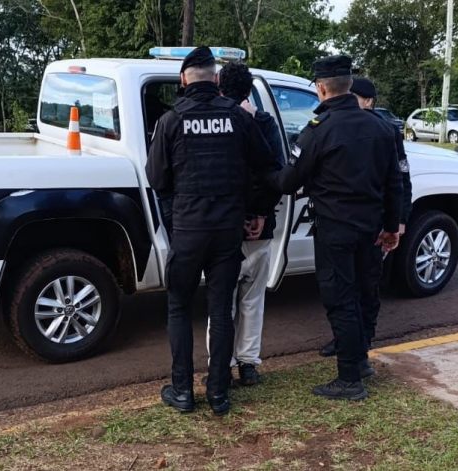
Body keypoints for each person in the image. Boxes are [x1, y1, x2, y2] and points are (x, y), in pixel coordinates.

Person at [146, 47, 277, 415]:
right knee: (221, 312)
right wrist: (254, 211)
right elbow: (265, 167)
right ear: (215, 79)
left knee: (179, 308)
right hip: (226, 233)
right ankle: (219, 393)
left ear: (184, 79)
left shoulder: (172, 121)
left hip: (188, 231)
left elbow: (156, 177)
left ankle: (183, 392)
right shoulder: (238, 118)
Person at [268, 55, 403, 400]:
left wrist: (263, 176)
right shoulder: (382, 128)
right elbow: (394, 184)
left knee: (340, 298)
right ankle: (360, 363)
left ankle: (349, 379)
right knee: (362, 294)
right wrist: (391, 227)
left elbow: (289, 181)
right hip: (372, 228)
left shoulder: (318, 130)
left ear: (322, 88)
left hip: (336, 229)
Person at [318, 78, 413, 377]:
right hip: (355, 221)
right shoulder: (335, 123)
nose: (351, 100)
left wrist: (398, 220)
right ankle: (349, 344)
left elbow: (400, 178)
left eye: (357, 97)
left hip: (377, 222)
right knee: (346, 289)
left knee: (367, 288)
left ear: (369, 101)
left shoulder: (385, 130)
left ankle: (362, 346)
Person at [203, 61, 286, 387]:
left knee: (220, 303)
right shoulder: (263, 123)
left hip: (222, 226)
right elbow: (274, 174)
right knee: (252, 299)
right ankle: (248, 365)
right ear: (249, 89)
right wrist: (261, 214)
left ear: (220, 86)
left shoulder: (211, 122)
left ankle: (220, 364)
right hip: (259, 226)